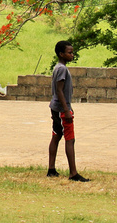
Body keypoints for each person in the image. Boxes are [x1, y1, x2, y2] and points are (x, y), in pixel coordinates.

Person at [47, 40, 89, 181]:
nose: (72, 55)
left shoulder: (58, 67)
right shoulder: (62, 69)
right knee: (70, 139)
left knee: (56, 135)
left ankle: (51, 169)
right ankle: (73, 173)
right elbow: (59, 90)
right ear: (61, 54)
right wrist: (66, 110)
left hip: (56, 107)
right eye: (69, 52)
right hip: (60, 109)